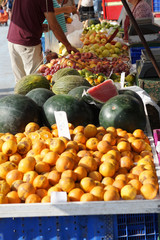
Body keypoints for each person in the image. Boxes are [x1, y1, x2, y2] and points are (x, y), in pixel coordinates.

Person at [7, 0, 78, 83]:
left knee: (20, 82)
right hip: (28, 43)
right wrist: (68, 45)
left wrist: (38, 26)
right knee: (34, 82)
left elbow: (22, 14)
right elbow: (54, 25)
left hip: (12, 40)